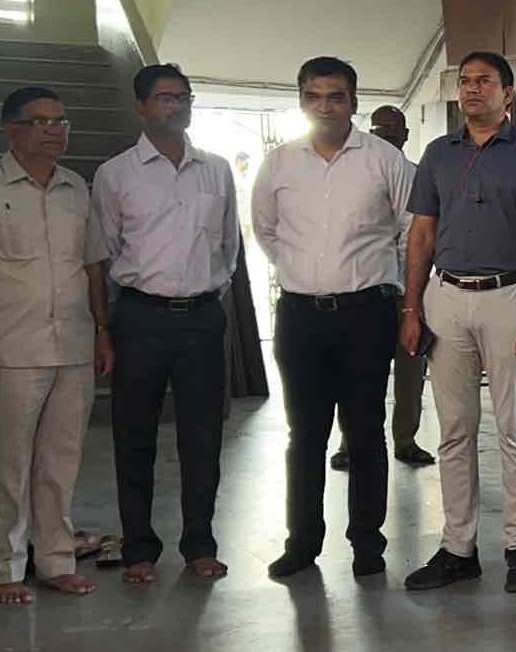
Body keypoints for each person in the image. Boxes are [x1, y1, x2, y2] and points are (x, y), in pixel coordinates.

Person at [398, 52, 516, 594]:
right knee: (453, 429)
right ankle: (457, 547)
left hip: (510, 295)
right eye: (465, 82)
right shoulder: (438, 154)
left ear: (508, 93)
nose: (472, 90)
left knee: (514, 427)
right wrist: (412, 305)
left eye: (485, 81)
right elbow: (421, 236)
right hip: (446, 296)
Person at [252, 57, 413, 579]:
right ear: (302, 101)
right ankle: (303, 543)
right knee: (306, 435)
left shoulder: (384, 160)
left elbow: (414, 231)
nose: (325, 106)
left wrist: (406, 300)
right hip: (300, 318)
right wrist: (305, 273)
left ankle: (367, 542)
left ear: (353, 102)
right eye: (315, 97)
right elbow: (266, 230)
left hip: (367, 314)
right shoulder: (279, 164)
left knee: (366, 431)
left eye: (336, 96)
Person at [93, 64, 238, 583]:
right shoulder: (116, 174)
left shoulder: (217, 169)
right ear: (141, 106)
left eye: (182, 97)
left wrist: (206, 293)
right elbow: (104, 253)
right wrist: (107, 325)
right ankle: (138, 550)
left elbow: (229, 246)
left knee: (203, 438)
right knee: (134, 437)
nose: (174, 106)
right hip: (139, 319)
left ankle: (200, 544)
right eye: (162, 98)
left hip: (201, 319)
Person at [0, 87, 111, 604]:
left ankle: (54, 561)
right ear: (11, 129)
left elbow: (92, 267)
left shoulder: (77, 189)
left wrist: (102, 330)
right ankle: (6, 566)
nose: (54, 131)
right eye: (41, 122)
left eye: (61, 122)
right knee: (9, 463)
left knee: (61, 460)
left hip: (73, 344)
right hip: (12, 347)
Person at [331, 104, 435, 471]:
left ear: (405, 136)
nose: (388, 137)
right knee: (357, 373)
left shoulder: (420, 178)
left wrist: (414, 296)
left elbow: (422, 239)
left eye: (395, 132)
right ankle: (349, 442)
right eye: (380, 131)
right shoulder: (350, 177)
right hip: (364, 290)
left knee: (410, 373)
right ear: (370, 134)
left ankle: (406, 441)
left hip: (410, 292)